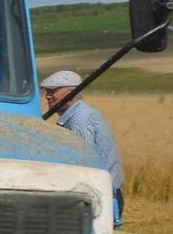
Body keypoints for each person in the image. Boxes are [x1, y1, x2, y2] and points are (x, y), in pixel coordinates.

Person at [44, 68, 125, 220]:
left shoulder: (79, 121)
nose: (48, 97)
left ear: (70, 93)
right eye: (47, 92)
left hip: (98, 196)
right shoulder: (80, 114)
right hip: (101, 193)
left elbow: (84, 165)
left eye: (52, 92)